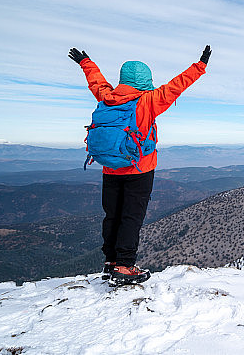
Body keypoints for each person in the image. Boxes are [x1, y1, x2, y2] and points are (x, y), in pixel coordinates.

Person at [69, 45, 211, 284]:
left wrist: (86, 62)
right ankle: (124, 266)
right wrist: (200, 65)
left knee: (112, 215)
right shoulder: (148, 101)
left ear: (123, 78)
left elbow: (97, 82)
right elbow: (176, 86)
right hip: (139, 169)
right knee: (131, 217)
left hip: (110, 168)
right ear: (146, 80)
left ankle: (111, 262)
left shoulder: (107, 97)